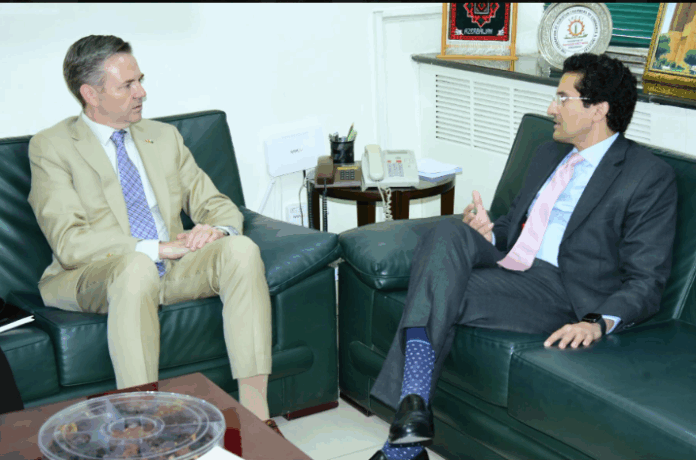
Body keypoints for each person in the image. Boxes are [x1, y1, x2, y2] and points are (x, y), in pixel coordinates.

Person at [368, 53, 678, 460]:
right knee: (447, 230)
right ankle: (412, 415)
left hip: (560, 292)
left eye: (563, 98)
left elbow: (647, 280)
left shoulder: (646, 176)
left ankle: (403, 445)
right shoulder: (548, 153)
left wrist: (598, 322)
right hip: (510, 265)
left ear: (598, 110)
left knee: (434, 290)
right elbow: (513, 225)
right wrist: (490, 231)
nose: (551, 108)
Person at [27, 35, 282, 436]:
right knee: (136, 266)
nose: (141, 93)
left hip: (174, 267)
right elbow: (70, 242)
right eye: (127, 85)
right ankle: (141, 428)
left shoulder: (163, 137)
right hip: (93, 275)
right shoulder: (52, 147)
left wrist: (215, 229)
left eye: (140, 80)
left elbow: (216, 203)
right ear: (90, 93)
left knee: (240, 250)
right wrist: (155, 248)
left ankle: (256, 416)